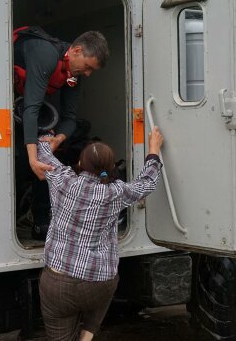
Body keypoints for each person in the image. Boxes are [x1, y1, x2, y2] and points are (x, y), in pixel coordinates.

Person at [36, 126, 164, 341]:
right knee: (109, 277)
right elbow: (147, 183)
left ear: (79, 164)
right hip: (98, 285)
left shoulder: (63, 179)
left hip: (57, 284)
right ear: (111, 167)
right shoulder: (116, 192)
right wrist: (153, 150)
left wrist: (53, 138)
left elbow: (43, 152)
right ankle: (87, 335)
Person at [13, 26, 110, 240]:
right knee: (22, 160)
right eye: (87, 66)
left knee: (46, 159)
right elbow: (32, 108)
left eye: (91, 70)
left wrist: (58, 138)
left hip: (29, 109)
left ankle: (41, 225)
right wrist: (32, 158)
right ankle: (13, 218)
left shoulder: (73, 74)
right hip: (13, 104)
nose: (87, 73)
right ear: (75, 51)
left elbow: (69, 118)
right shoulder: (46, 54)